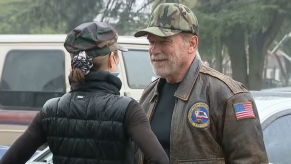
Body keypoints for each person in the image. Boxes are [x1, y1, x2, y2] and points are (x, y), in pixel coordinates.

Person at [0, 22, 169, 164]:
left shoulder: (51, 110)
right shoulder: (128, 109)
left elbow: (10, 159)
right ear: (112, 59)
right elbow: (160, 160)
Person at [134, 3, 268, 164]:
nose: (154, 50)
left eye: (164, 42)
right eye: (152, 42)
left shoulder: (227, 95)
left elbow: (251, 160)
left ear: (192, 44)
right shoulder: (149, 95)